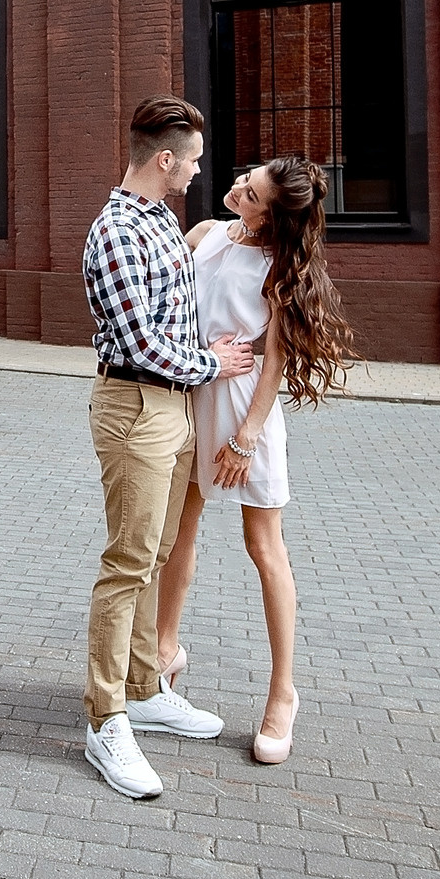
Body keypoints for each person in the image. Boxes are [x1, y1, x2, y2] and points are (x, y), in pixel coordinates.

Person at [78, 96, 256, 800]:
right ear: (164, 160)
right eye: (193, 160)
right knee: (126, 563)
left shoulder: (163, 219)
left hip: (174, 407)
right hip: (138, 407)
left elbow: (175, 320)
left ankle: (146, 687)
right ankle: (105, 720)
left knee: (155, 552)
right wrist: (213, 363)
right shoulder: (118, 230)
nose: (198, 169)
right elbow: (141, 344)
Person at [153, 156, 358, 765]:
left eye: (252, 192)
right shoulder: (204, 233)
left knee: (264, 547)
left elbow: (272, 362)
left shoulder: (278, 267)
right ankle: (165, 651)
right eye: (247, 177)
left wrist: (245, 437)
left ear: (270, 217)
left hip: (246, 412)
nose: (238, 186)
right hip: (193, 392)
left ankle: (281, 694)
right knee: (178, 532)